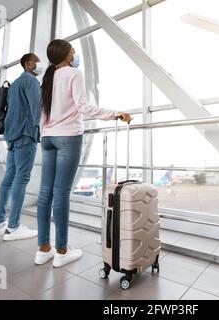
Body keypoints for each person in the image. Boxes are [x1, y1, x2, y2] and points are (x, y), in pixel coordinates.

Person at [34, 39, 131, 267]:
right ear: (66, 54)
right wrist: (116, 113)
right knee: (61, 193)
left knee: (45, 193)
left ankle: (43, 248)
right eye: (73, 50)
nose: (75, 53)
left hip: (47, 137)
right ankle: (62, 251)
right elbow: (82, 106)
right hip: (68, 136)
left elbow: (42, 112)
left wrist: (44, 132)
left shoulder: (47, 78)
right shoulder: (74, 73)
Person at [0, 53, 45, 241]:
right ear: (29, 64)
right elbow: (36, 110)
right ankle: (13, 227)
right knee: (22, 178)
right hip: (25, 134)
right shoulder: (31, 82)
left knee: (9, 177)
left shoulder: (14, 85)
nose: (40, 65)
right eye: (37, 62)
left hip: (11, 135)